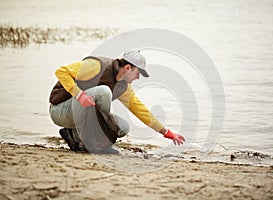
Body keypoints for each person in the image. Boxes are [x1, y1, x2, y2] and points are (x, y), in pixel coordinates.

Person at [49, 49, 185, 154]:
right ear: (127, 68)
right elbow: (61, 71)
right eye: (138, 73)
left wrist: (166, 132)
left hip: (77, 117)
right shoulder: (97, 66)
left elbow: (141, 111)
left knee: (123, 127)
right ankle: (93, 144)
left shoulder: (124, 87)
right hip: (60, 110)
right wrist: (78, 94)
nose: (138, 78)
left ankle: (73, 135)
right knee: (104, 92)